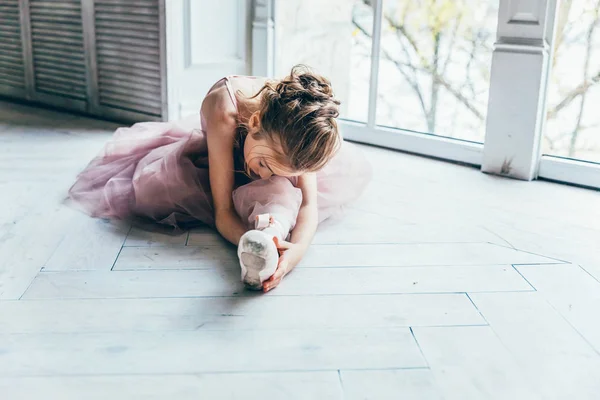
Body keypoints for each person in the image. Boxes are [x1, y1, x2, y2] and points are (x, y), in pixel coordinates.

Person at [68, 65, 372, 292]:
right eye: (265, 163)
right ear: (254, 123)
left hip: (278, 145)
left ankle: (273, 226)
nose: (264, 175)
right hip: (218, 156)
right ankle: (264, 230)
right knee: (160, 188)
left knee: (281, 192)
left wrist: (294, 254)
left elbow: (309, 205)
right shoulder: (224, 110)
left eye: (278, 171)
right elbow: (223, 212)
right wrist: (250, 245)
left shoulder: (300, 139)